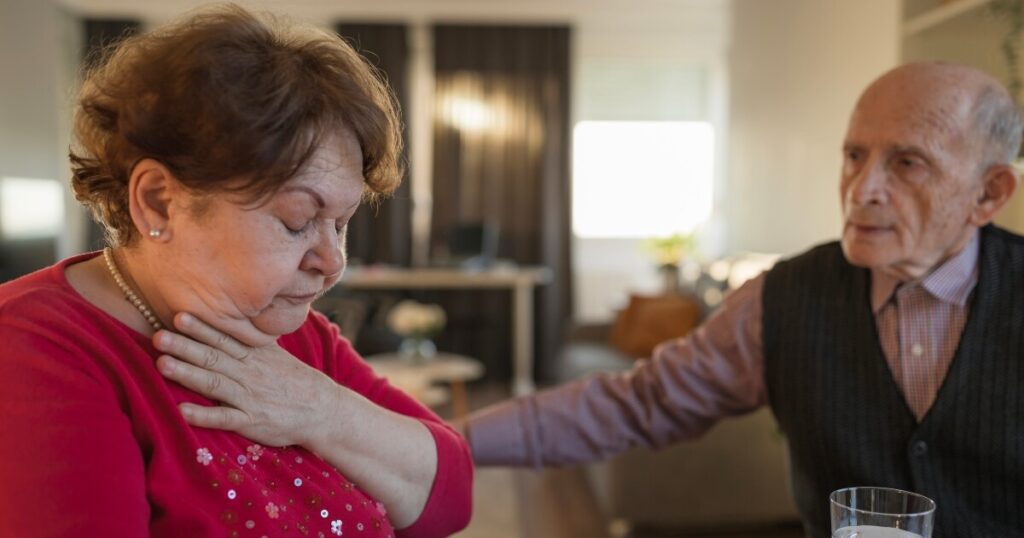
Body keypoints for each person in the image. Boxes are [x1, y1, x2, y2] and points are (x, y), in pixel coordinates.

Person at [465, 62, 1024, 537]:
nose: (860, 189)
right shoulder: (782, 298)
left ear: (989, 192)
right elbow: (637, 403)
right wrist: (448, 443)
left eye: (907, 163)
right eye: (854, 155)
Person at [0, 5, 471, 537]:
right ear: (158, 202)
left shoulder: (294, 336)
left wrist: (325, 411)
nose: (333, 261)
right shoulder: (34, 350)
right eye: (298, 220)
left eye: (341, 223)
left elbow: (451, 491)